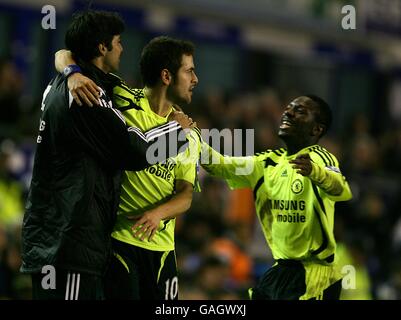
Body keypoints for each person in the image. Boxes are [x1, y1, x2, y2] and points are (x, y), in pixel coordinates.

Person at [21, 11, 194, 300]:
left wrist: (69, 67)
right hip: (69, 242)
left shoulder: (71, 81)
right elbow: (135, 150)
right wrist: (176, 132)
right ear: (102, 48)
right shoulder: (85, 95)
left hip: (61, 238)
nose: (122, 48)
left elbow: (63, 54)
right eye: (118, 42)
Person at [202, 95, 353, 300]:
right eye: (288, 108)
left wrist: (315, 172)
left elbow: (341, 190)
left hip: (314, 274)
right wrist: (188, 135)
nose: (288, 112)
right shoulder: (267, 163)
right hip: (279, 271)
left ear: (316, 129)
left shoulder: (318, 157)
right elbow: (217, 165)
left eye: (299, 111)